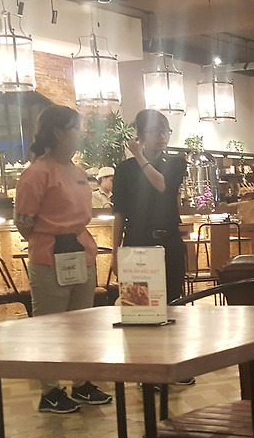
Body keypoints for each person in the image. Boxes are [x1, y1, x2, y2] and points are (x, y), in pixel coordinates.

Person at [14, 105, 113, 414]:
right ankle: (50, 390)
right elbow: (23, 221)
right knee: (50, 326)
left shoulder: (78, 172)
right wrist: (48, 238)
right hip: (49, 257)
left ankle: (82, 383)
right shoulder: (36, 173)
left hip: (81, 252)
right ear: (58, 133)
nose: (82, 134)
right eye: (76, 128)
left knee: (82, 325)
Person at [112, 110, 188, 303]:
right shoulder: (124, 169)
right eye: (156, 131)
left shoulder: (176, 163)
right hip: (137, 242)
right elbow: (119, 213)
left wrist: (139, 155)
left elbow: (162, 185)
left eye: (166, 131)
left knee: (173, 305)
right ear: (141, 135)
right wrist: (115, 252)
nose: (163, 136)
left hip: (169, 243)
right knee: (138, 307)